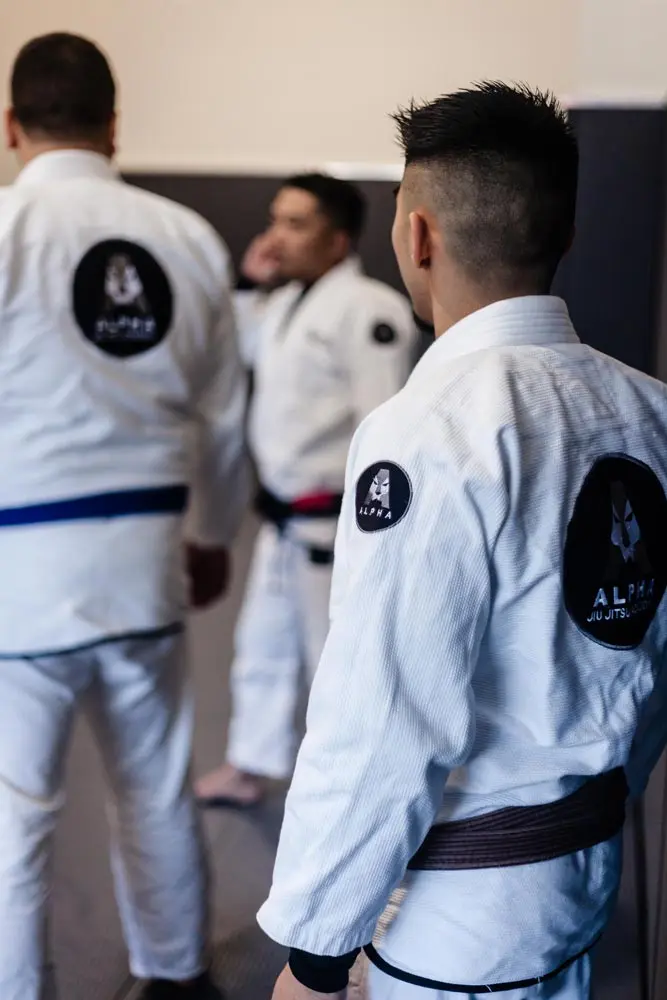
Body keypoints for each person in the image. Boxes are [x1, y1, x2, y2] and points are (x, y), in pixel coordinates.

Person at [256, 83, 667, 1000]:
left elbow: (385, 716)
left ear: (417, 237)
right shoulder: (652, 411)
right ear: (560, 234)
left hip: (453, 918)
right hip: (580, 873)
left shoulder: (427, 432)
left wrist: (319, 948)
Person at [0, 33, 247, 1000]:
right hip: (149, 558)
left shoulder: (7, 229)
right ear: (113, 124)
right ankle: (176, 976)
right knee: (155, 783)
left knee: (19, 813)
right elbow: (226, 416)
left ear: (10, 126)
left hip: (24, 575)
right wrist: (214, 534)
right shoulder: (184, 237)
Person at [196, 175, 417, 808]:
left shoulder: (368, 308)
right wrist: (248, 282)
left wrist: (373, 523)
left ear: (338, 238)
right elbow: (231, 342)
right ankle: (251, 762)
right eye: (274, 220)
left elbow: (387, 424)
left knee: (335, 659)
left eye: (296, 224)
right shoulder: (285, 302)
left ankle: (350, 792)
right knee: (261, 646)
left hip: (333, 521)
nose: (276, 236)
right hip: (281, 518)